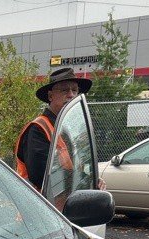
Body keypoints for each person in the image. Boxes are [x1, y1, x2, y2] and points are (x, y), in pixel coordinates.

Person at [15, 67, 102, 197]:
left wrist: (90, 181)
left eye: (74, 90)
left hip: (61, 208)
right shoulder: (38, 129)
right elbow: (43, 178)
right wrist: (82, 182)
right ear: (50, 96)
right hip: (40, 209)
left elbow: (73, 168)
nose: (71, 94)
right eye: (65, 90)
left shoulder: (66, 129)